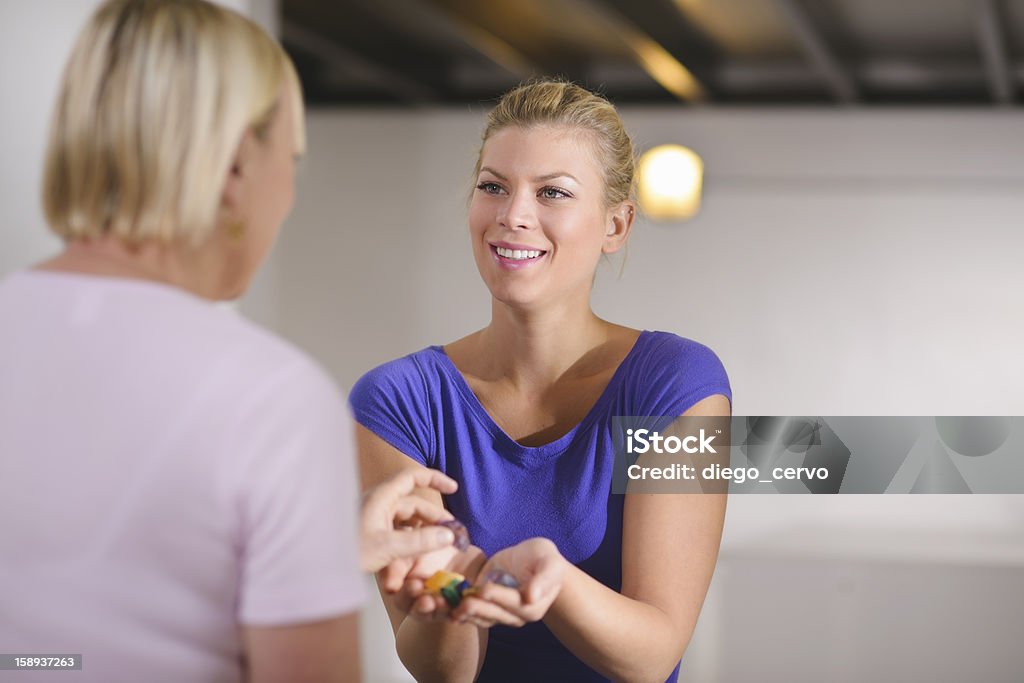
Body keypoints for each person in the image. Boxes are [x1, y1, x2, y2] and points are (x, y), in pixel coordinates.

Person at [0, 1, 454, 681]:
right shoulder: (275, 397)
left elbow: (49, 647)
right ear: (239, 164)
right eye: (290, 160)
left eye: (555, 193)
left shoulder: (670, 380)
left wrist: (314, 552)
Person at [350, 80, 733, 682]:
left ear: (616, 226)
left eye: (552, 192)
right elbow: (438, 671)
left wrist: (550, 580)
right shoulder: (397, 401)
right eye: (492, 187)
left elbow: (654, 654)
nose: (512, 216)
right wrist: (459, 593)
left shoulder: (677, 383)